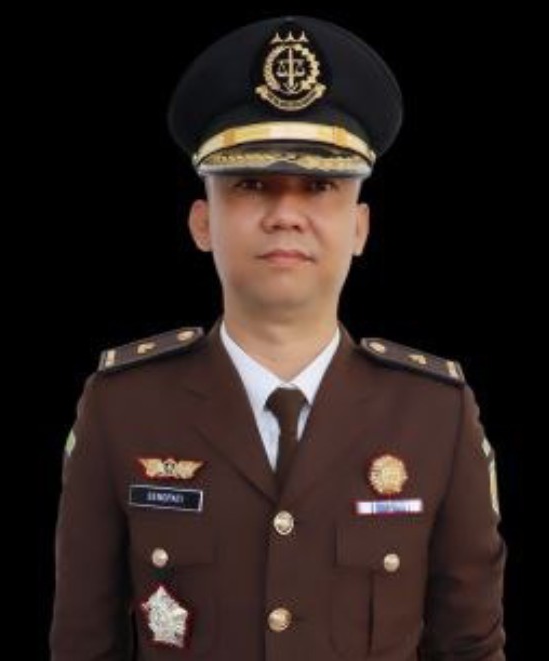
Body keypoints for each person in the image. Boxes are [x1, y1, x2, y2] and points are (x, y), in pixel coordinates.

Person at [50, 15, 505, 661]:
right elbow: (82, 645)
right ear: (201, 221)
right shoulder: (122, 408)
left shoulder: (435, 415)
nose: (286, 214)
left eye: (319, 186)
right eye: (251, 184)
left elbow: (471, 647)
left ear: (360, 227)